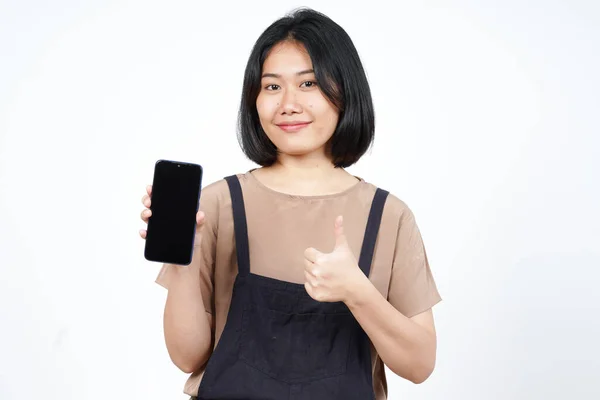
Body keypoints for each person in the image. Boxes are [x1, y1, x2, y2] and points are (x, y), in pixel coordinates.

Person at [139, 7, 441, 400]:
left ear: (345, 91)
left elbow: (419, 365)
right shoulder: (216, 204)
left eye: (309, 83)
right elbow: (186, 356)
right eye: (272, 87)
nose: (288, 104)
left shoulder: (388, 217)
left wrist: (357, 292)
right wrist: (184, 260)